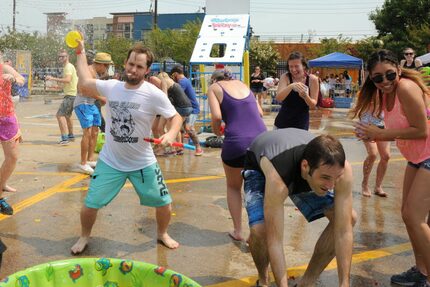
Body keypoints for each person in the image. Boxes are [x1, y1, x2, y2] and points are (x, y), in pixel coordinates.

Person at [70, 38, 183, 254]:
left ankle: (162, 234)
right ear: (125, 63)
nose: (133, 69)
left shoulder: (153, 94)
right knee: (90, 203)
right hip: (110, 161)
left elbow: (175, 117)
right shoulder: (112, 87)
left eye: (139, 66)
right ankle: (84, 236)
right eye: (131, 64)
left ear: (147, 69)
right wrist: (80, 52)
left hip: (142, 162)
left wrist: (171, 132)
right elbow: (84, 82)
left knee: (164, 203)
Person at [354, 49, 430, 287]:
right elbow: (402, 131)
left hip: (428, 155)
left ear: (398, 69)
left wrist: (382, 133)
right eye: (378, 78)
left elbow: (422, 130)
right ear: (370, 78)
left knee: (413, 216)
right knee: (408, 218)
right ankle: (421, 271)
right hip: (416, 158)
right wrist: (373, 136)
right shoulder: (384, 95)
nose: (385, 82)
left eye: (389, 75)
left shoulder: (406, 88)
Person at [242, 128, 355, 287]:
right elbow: (275, 241)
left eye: (336, 178)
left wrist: (345, 283)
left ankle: (306, 283)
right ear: (305, 166)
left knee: (348, 218)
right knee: (261, 230)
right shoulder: (278, 180)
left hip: (303, 170)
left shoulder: (341, 172)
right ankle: (263, 280)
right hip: (261, 164)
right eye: (325, 178)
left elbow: (344, 231)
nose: (331, 186)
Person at [207, 70, 266, 241]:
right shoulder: (243, 85)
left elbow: (217, 116)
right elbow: (260, 113)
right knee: (258, 189)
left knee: (233, 187)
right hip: (261, 141)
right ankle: (259, 230)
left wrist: (217, 131)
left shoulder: (214, 88)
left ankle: (238, 231)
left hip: (237, 142)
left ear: (214, 79)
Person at [73, 52, 111, 174]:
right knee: (87, 133)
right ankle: (83, 163)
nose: (107, 69)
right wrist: (100, 98)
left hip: (91, 104)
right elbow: (82, 90)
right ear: (100, 64)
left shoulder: (96, 73)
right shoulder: (87, 72)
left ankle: (90, 159)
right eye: (107, 66)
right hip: (82, 103)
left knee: (95, 131)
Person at [0, 54, 25, 215]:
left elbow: (21, 79)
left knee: (13, 157)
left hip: (6, 118)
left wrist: (13, 78)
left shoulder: (4, 67)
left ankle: (1, 184)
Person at [157, 72, 202, 156]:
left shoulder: (176, 83)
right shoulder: (174, 83)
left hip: (186, 108)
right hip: (184, 107)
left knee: (184, 128)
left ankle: (192, 147)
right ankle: (177, 148)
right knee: (180, 129)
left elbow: (166, 98)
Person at [350, 106, 391, 197]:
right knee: (373, 154)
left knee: (386, 156)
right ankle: (365, 184)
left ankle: (378, 187)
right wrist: (361, 129)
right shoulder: (370, 93)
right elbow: (363, 109)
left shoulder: (388, 94)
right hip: (367, 126)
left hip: (383, 126)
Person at [274, 52, 319, 130]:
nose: (293, 69)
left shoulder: (312, 79)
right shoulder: (285, 77)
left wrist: (305, 96)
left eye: (296, 66)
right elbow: (279, 98)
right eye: (291, 66)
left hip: (301, 124)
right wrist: (291, 86)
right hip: (282, 123)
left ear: (304, 66)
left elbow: (313, 105)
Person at [46, 50, 78, 145]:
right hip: (72, 94)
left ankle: (64, 139)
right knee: (68, 115)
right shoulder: (69, 66)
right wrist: (57, 87)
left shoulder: (68, 67)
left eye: (63, 56)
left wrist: (52, 78)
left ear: (67, 57)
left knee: (60, 115)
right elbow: (70, 82)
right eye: (59, 56)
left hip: (70, 95)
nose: (61, 58)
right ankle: (71, 136)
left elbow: (68, 80)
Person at [170, 66, 203, 155]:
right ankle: (180, 148)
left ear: (176, 74)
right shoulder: (184, 81)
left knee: (189, 128)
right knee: (181, 129)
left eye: (172, 76)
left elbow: (176, 93)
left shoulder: (183, 81)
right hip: (186, 108)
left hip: (192, 109)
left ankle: (198, 148)